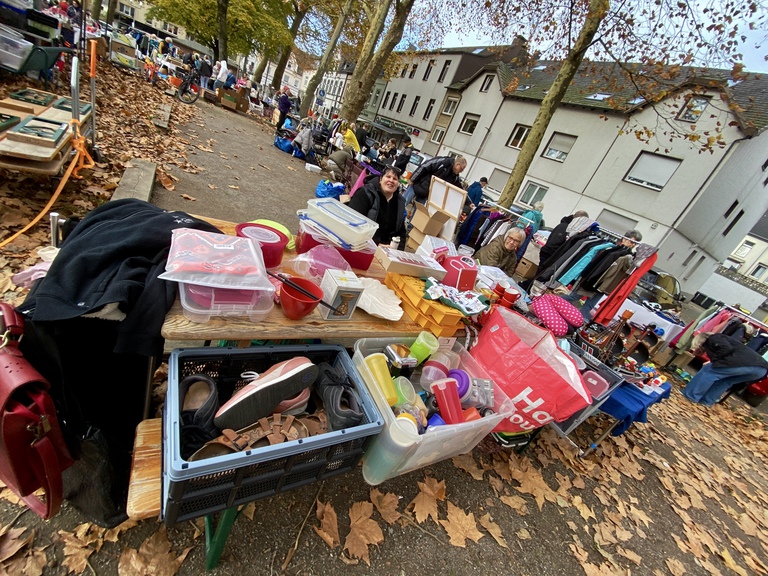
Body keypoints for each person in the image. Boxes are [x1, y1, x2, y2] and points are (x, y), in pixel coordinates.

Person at [683, 333, 768, 407]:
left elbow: (726, 349)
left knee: (709, 371)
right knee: (726, 381)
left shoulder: (713, 337)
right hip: (761, 370)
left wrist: (713, 361)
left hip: (745, 364)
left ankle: (690, 395)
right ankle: (706, 402)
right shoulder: (727, 340)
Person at [347, 166, 406, 249]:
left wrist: (397, 250)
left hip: (388, 251)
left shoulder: (399, 202)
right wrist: (375, 245)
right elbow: (353, 222)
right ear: (380, 179)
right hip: (363, 246)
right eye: (388, 177)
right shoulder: (365, 193)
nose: (391, 180)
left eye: (395, 179)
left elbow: (401, 232)